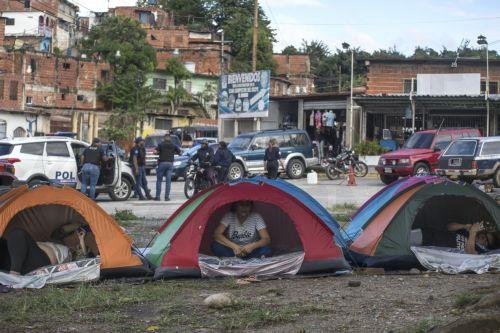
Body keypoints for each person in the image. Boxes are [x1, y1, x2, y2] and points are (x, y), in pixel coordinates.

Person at [3, 224, 98, 275]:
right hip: (17, 258)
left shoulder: (73, 252)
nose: (76, 235)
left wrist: (81, 241)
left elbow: (84, 259)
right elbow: (61, 231)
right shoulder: (57, 239)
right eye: (75, 233)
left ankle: (14, 275)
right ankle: (14, 269)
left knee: (18, 233)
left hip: (39, 262)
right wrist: (78, 225)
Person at [155, 134, 181, 201]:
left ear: (164, 138)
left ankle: (158, 196)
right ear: (170, 138)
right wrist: (174, 152)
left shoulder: (161, 144)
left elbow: (155, 152)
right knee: (168, 181)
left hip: (162, 163)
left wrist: (158, 152)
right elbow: (180, 152)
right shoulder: (173, 145)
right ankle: (166, 197)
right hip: (170, 164)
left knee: (159, 181)